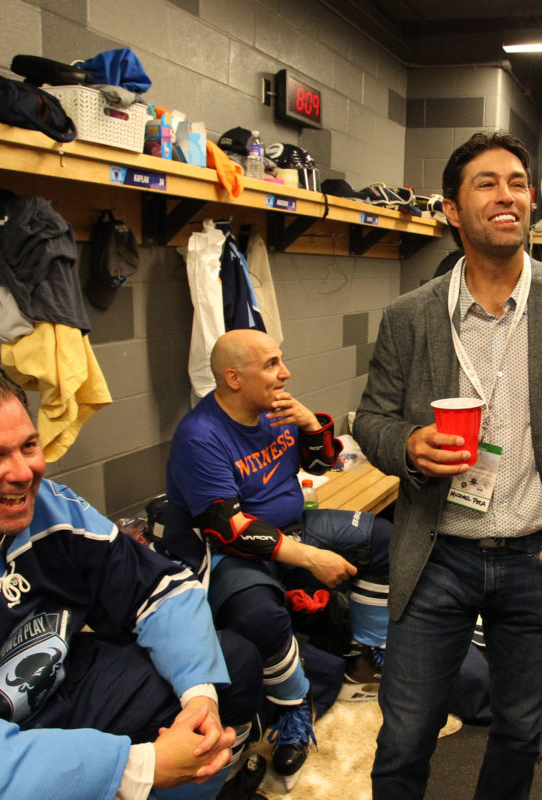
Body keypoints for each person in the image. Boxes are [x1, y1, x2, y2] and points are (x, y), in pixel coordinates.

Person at [0, 365, 263, 800]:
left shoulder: (48, 508)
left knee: (232, 662)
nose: (23, 473)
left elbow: (161, 589)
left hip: (54, 690)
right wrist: (138, 768)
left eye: (28, 446)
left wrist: (199, 699)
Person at [355, 130, 542, 800]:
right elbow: (372, 420)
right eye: (486, 183)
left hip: (539, 555)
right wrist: (409, 445)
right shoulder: (411, 317)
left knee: (521, 729)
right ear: (450, 209)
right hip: (437, 555)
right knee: (406, 733)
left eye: (518, 183)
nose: (508, 195)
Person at [162, 329, 392, 788]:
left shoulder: (277, 409)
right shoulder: (199, 436)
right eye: (270, 364)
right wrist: (310, 559)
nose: (284, 373)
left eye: (280, 361)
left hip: (296, 525)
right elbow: (228, 528)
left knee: (384, 538)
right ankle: (294, 706)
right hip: (228, 552)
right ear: (233, 378)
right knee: (259, 615)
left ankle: (368, 648)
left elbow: (323, 465)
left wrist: (310, 423)